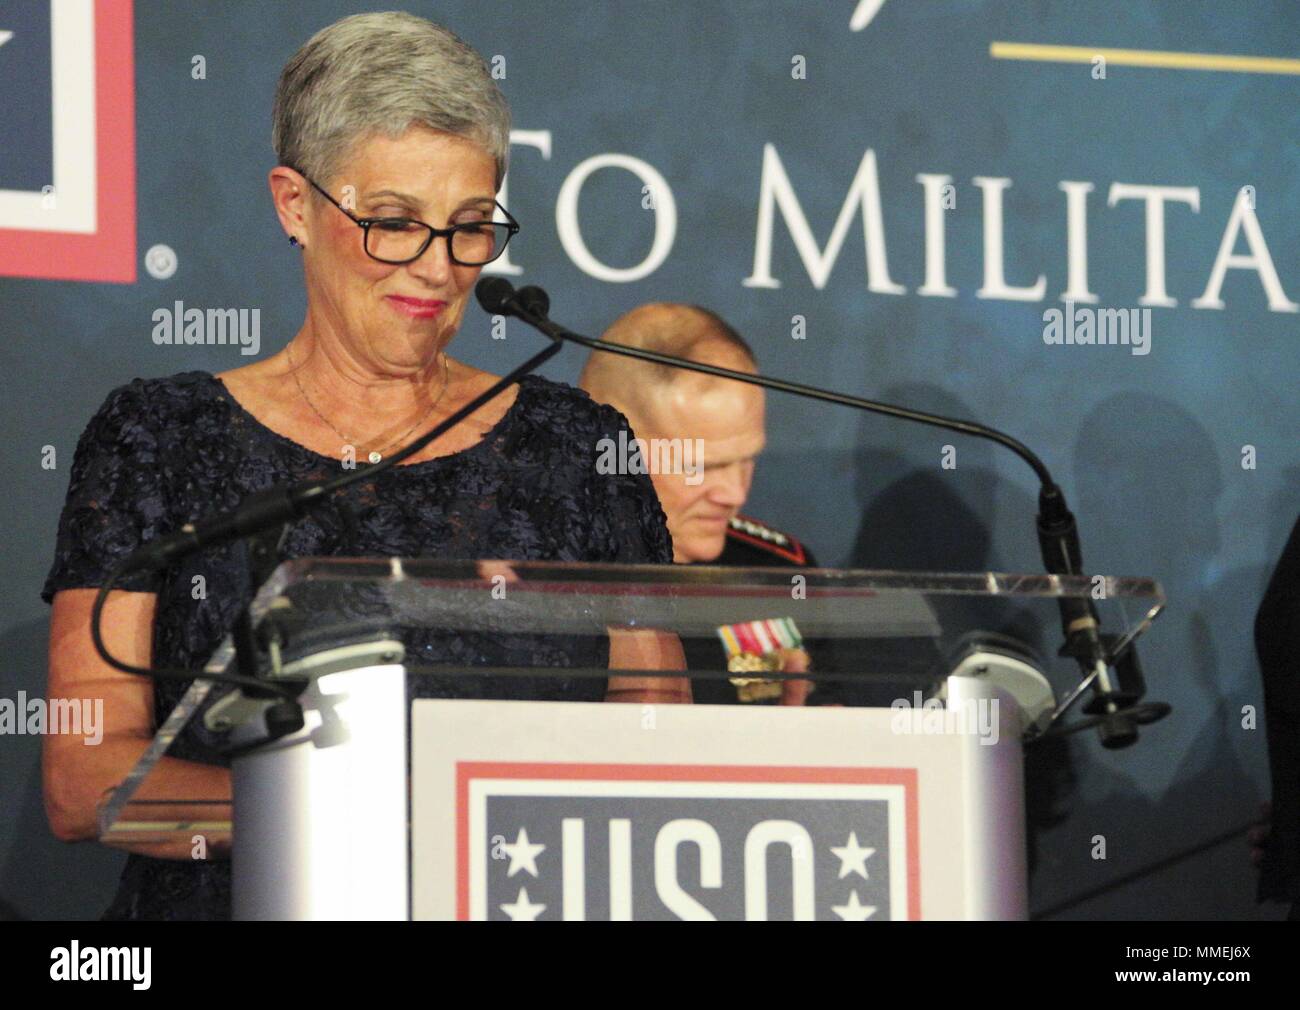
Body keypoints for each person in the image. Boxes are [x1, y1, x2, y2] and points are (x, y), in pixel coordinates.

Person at [41, 12, 686, 922]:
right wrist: (366, 811)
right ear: (295, 206)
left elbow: (662, 743)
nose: (436, 268)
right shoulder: (161, 438)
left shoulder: (576, 451)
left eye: (470, 227)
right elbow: (86, 776)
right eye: (393, 223)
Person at [578, 303, 821, 705]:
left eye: (747, 460)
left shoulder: (778, 574)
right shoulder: (531, 575)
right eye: (701, 466)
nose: (735, 495)